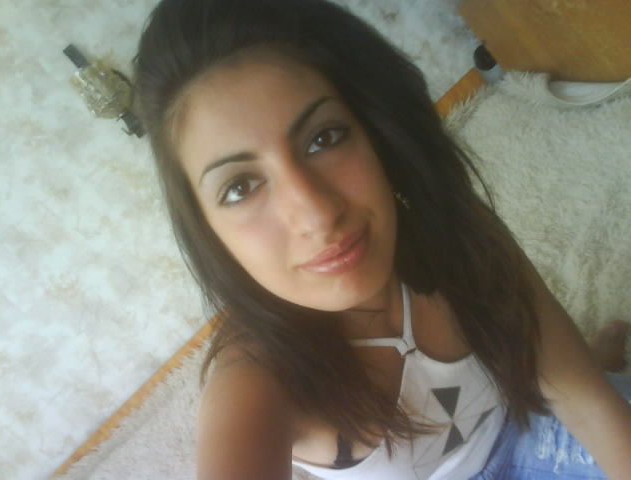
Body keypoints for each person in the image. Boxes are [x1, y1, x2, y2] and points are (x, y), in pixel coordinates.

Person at [133, 0, 631, 478]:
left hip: (525, 429)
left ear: (377, 132)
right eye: (240, 187)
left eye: (324, 138)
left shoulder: (450, 229)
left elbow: (587, 402)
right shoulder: (253, 380)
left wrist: (576, 382)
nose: (318, 214)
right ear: (208, 230)